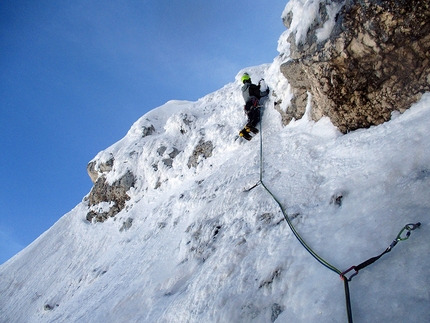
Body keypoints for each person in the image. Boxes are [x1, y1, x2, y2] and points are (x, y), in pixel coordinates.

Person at [239, 72, 270, 140]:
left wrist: (257, 87)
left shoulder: (243, 90)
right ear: (249, 79)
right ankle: (250, 127)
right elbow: (259, 94)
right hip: (253, 103)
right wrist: (267, 92)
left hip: (247, 106)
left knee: (251, 118)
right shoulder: (251, 86)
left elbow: (252, 92)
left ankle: (244, 132)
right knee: (256, 117)